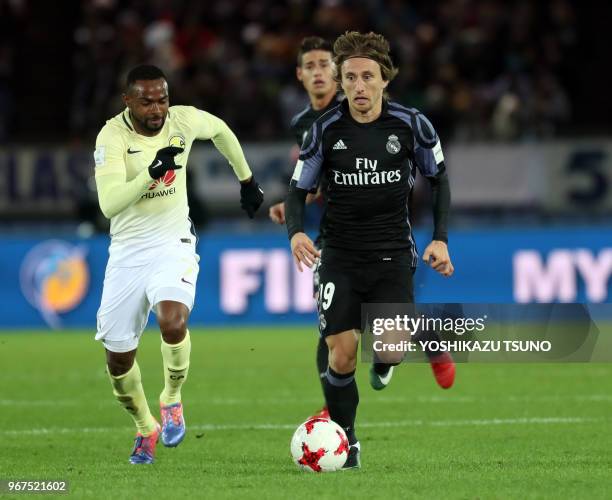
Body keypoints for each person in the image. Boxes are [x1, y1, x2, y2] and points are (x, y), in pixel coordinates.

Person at [285, 31, 454, 469]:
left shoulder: (412, 124)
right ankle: (348, 441)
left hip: (392, 252)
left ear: (384, 80)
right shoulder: (324, 129)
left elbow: (438, 180)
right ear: (341, 83)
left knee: (391, 345)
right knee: (340, 352)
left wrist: (440, 237)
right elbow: (298, 188)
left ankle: (389, 359)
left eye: (367, 77)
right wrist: (296, 233)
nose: (359, 86)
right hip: (338, 254)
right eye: (351, 78)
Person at [93, 64, 264, 464]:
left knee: (173, 321)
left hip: (174, 242)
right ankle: (145, 428)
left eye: (163, 99)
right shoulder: (111, 137)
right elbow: (108, 204)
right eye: (147, 101)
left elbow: (220, 130)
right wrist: (152, 173)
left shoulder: (182, 121)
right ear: (128, 101)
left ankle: (171, 398)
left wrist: (247, 180)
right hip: (128, 252)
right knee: (118, 362)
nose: (157, 109)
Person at [269, 36, 342, 419]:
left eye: (324, 64)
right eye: (309, 66)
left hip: (376, 226)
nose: (318, 72)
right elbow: (313, 181)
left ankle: (424, 336)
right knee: (329, 324)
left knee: (378, 322)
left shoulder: (357, 110)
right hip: (333, 233)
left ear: (337, 70)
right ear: (300, 75)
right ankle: (333, 408)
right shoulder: (303, 124)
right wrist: (292, 204)